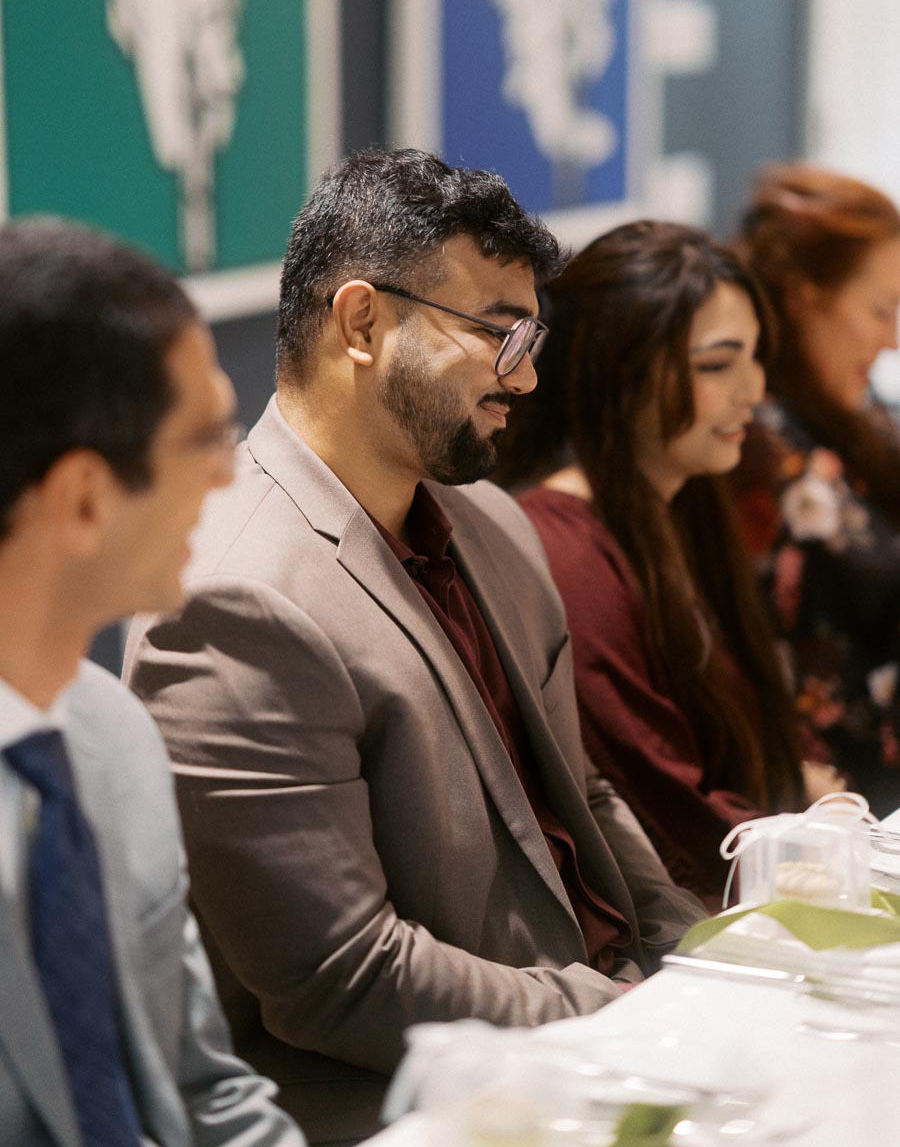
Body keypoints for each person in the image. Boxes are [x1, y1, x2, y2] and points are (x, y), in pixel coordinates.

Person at [123, 149, 706, 1146]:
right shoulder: (233, 598)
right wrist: (613, 1017)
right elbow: (342, 980)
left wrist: (698, 958)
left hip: (601, 1036)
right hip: (419, 1103)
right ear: (362, 322)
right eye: (495, 333)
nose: (522, 376)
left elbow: (588, 793)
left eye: (528, 337)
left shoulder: (490, 524)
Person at [0, 218, 305, 1146]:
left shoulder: (115, 739)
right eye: (205, 437)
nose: (230, 472)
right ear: (85, 498)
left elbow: (205, 1088)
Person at [495, 221, 834, 910]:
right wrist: (812, 850)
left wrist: (816, 797)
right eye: (716, 365)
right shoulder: (565, 550)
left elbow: (761, 706)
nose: (754, 391)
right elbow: (661, 801)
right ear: (621, 371)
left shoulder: (688, 503)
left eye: (755, 358)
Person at [731, 162, 900, 815]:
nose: (890, 340)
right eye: (879, 311)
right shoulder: (756, 440)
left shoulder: (857, 413)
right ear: (805, 294)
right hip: (825, 808)